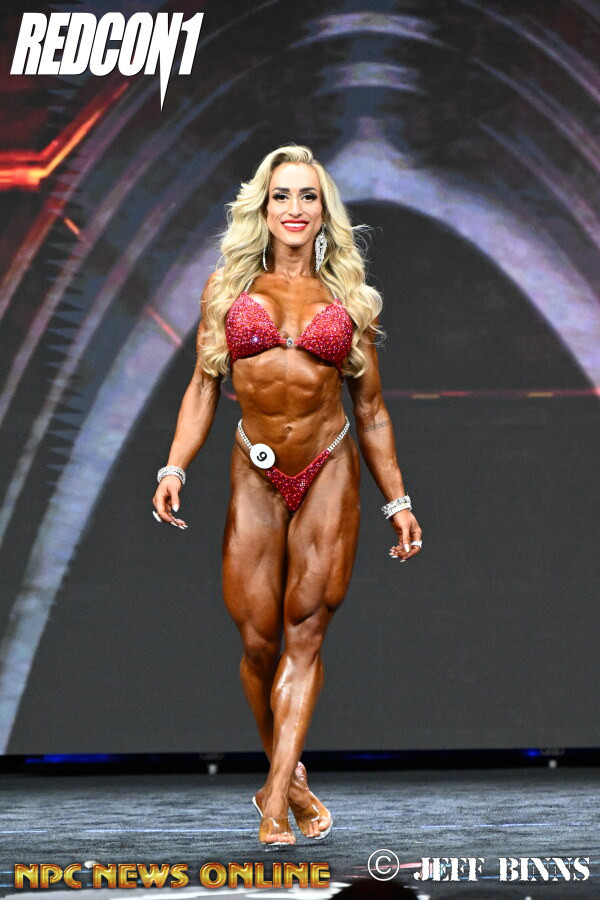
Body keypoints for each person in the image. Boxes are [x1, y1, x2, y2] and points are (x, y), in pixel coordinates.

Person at [152, 145, 423, 848]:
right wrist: (174, 467)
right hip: (255, 468)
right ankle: (290, 777)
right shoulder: (228, 288)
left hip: (330, 468)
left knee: (305, 631)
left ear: (324, 211)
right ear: (264, 208)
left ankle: (274, 797)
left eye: (308, 196)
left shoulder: (349, 298)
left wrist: (398, 502)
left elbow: (372, 412)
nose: (295, 209)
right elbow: (203, 385)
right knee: (256, 640)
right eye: (282, 196)